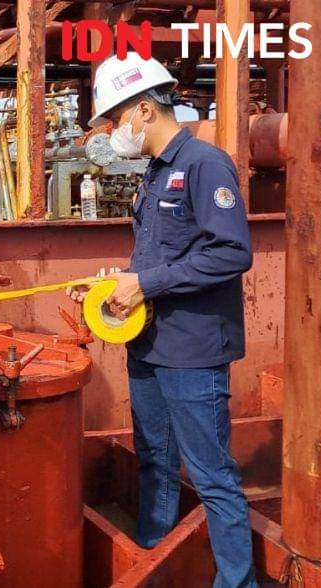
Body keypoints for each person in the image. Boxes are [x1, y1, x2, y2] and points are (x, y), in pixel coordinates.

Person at [70, 53, 256, 587]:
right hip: (150, 345)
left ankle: (236, 582)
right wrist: (115, 284)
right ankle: (154, 557)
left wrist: (145, 284)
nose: (113, 132)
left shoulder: (204, 165)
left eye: (114, 119)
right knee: (154, 457)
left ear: (145, 110)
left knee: (212, 476)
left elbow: (232, 252)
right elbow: (158, 259)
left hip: (193, 351)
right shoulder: (154, 173)